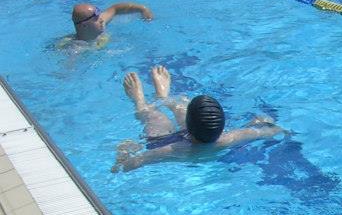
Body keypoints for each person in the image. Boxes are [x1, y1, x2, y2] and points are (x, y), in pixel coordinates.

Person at [114, 65, 285, 172]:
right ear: (222, 125)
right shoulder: (231, 137)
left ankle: (141, 100)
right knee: (184, 107)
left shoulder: (170, 150)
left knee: (155, 117)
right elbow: (272, 131)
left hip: (165, 141)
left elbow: (126, 166)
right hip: (198, 138)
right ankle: (162, 96)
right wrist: (264, 124)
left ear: (188, 126)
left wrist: (123, 152)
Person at [71, 1, 153, 42]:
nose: (101, 19)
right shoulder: (76, 49)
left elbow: (115, 9)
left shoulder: (99, 24)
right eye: (96, 18)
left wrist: (142, 9)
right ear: (84, 25)